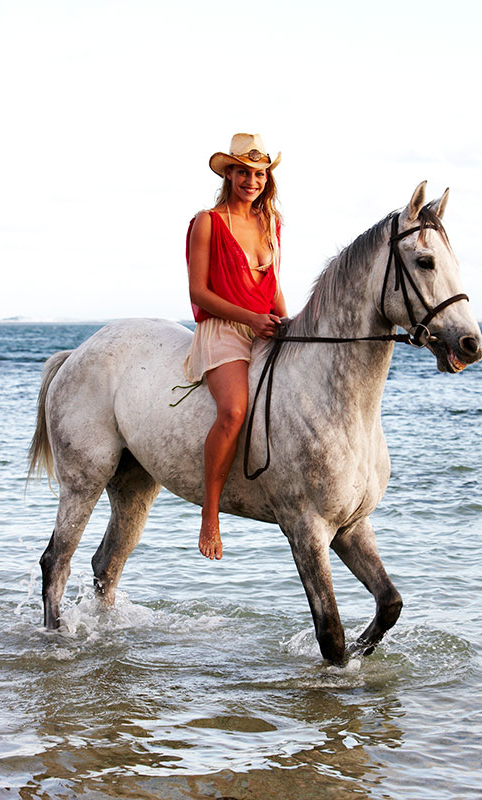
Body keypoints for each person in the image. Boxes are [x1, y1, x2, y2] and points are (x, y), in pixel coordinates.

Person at [184, 132, 288, 561]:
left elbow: (273, 285)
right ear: (228, 173)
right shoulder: (208, 221)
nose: (252, 180)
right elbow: (199, 292)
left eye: (259, 173)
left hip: (263, 325)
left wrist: (289, 324)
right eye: (243, 171)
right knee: (234, 411)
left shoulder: (271, 223)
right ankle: (211, 513)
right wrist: (250, 318)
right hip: (225, 328)